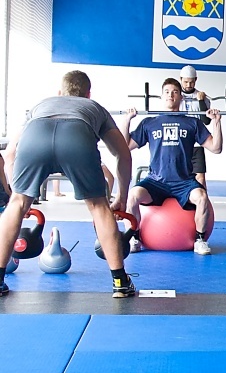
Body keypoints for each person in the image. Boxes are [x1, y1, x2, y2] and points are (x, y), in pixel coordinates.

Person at [0, 70, 135, 297]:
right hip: (76, 136)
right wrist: (122, 196)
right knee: (99, 207)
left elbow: (11, 153)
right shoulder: (95, 107)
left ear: (60, 92)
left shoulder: (41, 105)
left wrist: (17, 192)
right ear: (88, 94)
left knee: (17, 204)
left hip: (36, 135)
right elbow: (123, 154)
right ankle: (120, 282)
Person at [121, 78, 222, 255]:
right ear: (162, 96)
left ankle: (200, 240)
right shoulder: (149, 122)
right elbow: (124, 146)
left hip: (184, 182)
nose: (171, 95)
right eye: (167, 92)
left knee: (202, 197)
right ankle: (134, 237)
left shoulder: (192, 123)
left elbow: (216, 148)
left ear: (181, 97)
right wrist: (127, 120)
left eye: (175, 92)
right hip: (155, 182)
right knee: (133, 196)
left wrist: (217, 122)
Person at [179, 65, 212, 188]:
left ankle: (202, 199)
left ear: (196, 80)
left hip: (196, 144)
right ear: (180, 79)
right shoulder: (174, 96)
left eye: (191, 82)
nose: (188, 85)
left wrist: (201, 102)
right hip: (179, 142)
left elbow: (206, 121)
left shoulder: (203, 97)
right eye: (186, 82)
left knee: (200, 178)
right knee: (178, 176)